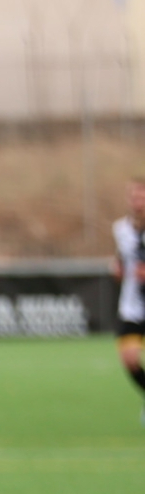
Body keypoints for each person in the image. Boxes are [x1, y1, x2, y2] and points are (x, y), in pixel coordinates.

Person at [108, 178, 145, 422]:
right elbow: (121, 258)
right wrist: (117, 268)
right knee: (130, 359)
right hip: (132, 307)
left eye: (141, 196)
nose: (137, 201)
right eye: (133, 196)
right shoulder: (120, 228)